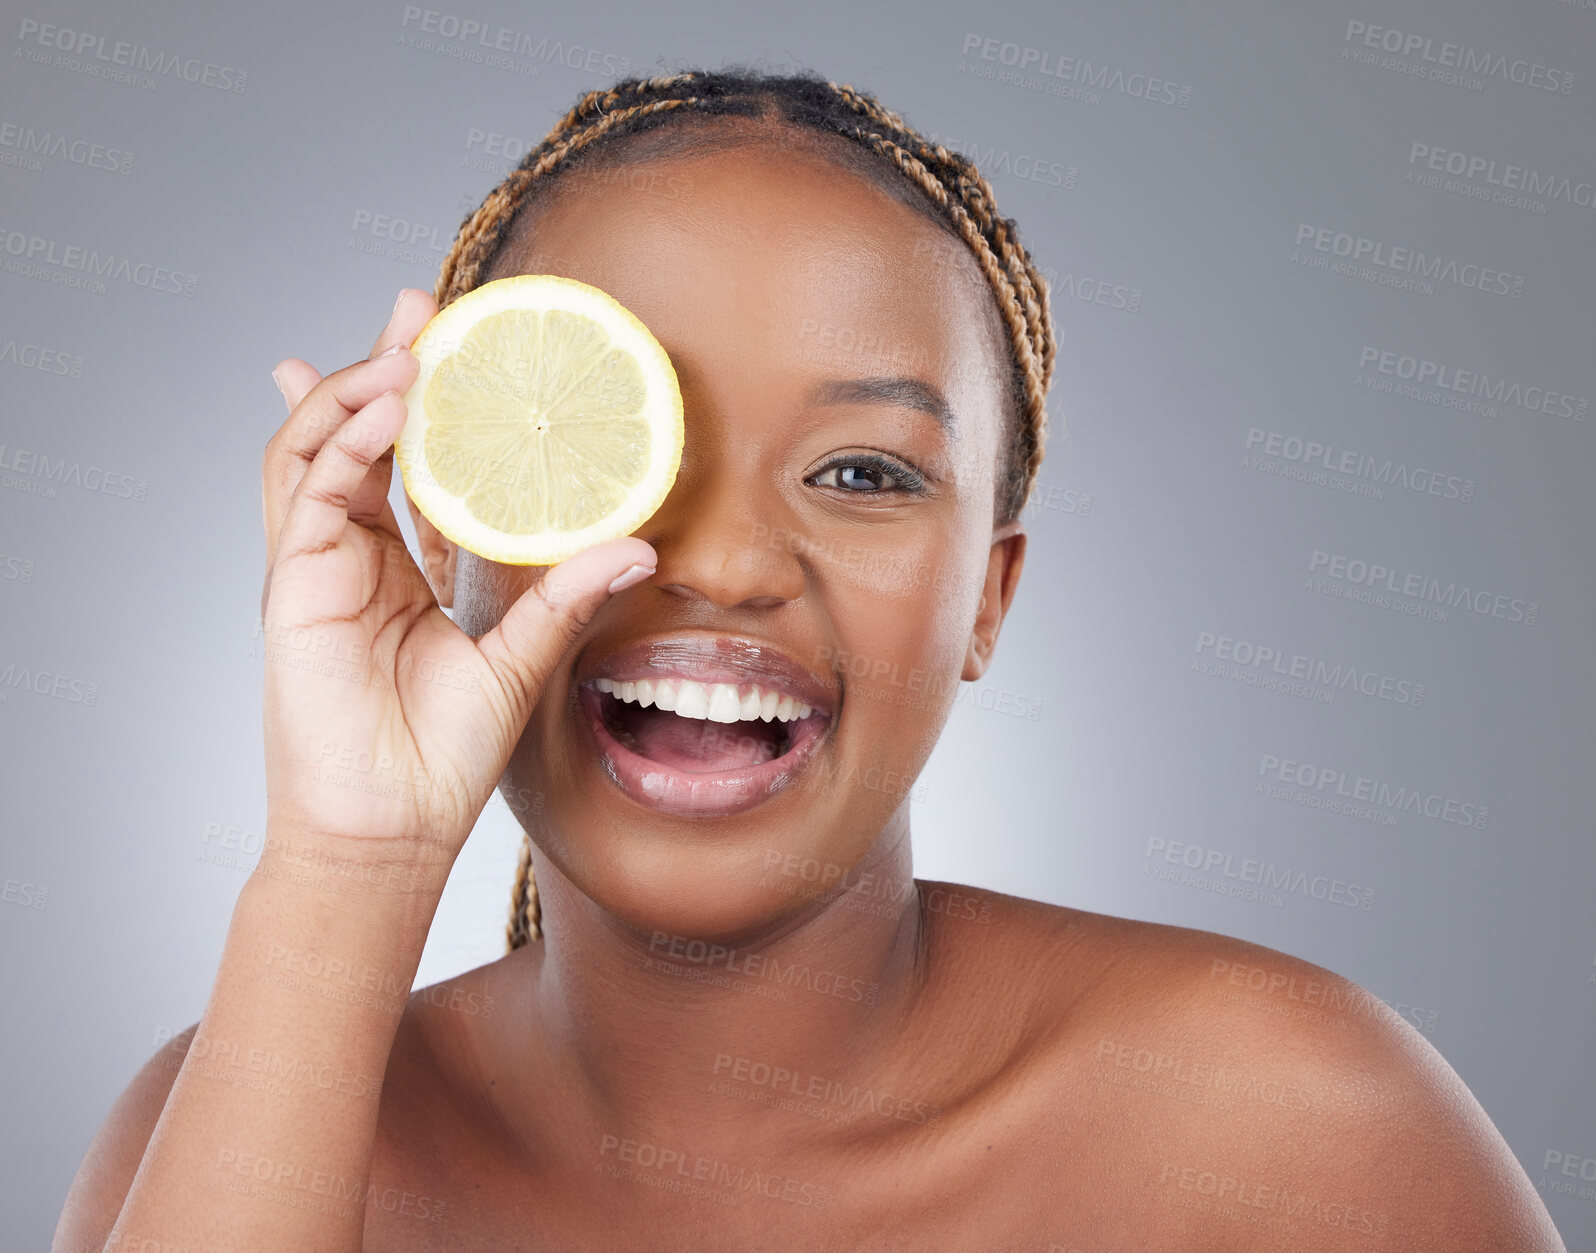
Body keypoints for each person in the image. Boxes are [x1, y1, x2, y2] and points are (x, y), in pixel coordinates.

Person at [53, 67, 1566, 1251]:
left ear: (989, 600)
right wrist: (346, 866)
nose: (721, 562)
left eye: (862, 472)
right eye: (631, 455)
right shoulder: (224, 1129)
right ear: (455, 524)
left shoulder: (1290, 1130)